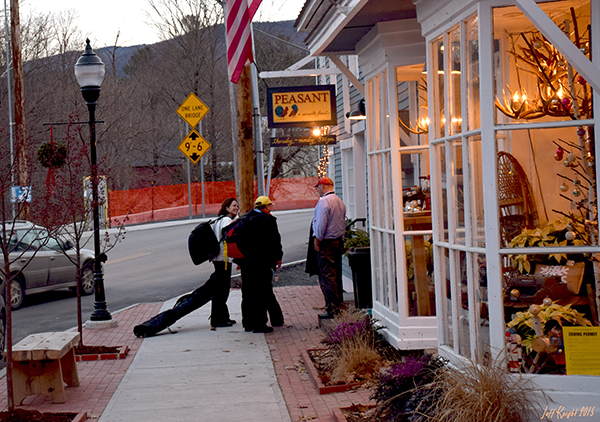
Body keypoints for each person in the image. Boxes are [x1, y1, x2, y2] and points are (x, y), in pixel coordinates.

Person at [238, 196, 284, 333]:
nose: (271, 208)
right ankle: (260, 325)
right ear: (265, 207)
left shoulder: (245, 219)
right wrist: (278, 257)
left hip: (247, 263)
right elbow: (275, 241)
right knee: (262, 293)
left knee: (247, 293)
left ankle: (247, 323)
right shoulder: (268, 221)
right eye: (270, 206)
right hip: (262, 263)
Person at [311, 177, 346, 318]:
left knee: (327, 276)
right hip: (338, 241)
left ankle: (332, 309)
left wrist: (317, 239)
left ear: (323, 186)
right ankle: (337, 305)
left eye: (317, 187)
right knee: (336, 274)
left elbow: (320, 225)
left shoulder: (323, 202)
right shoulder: (339, 201)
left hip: (327, 242)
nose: (317, 189)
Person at [208, 197, 239, 328]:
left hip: (218, 258)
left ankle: (223, 317)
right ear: (226, 208)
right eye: (233, 206)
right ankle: (218, 319)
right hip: (224, 259)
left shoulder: (219, 220)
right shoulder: (226, 220)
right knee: (222, 290)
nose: (236, 208)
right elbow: (230, 237)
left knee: (221, 289)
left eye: (237, 206)